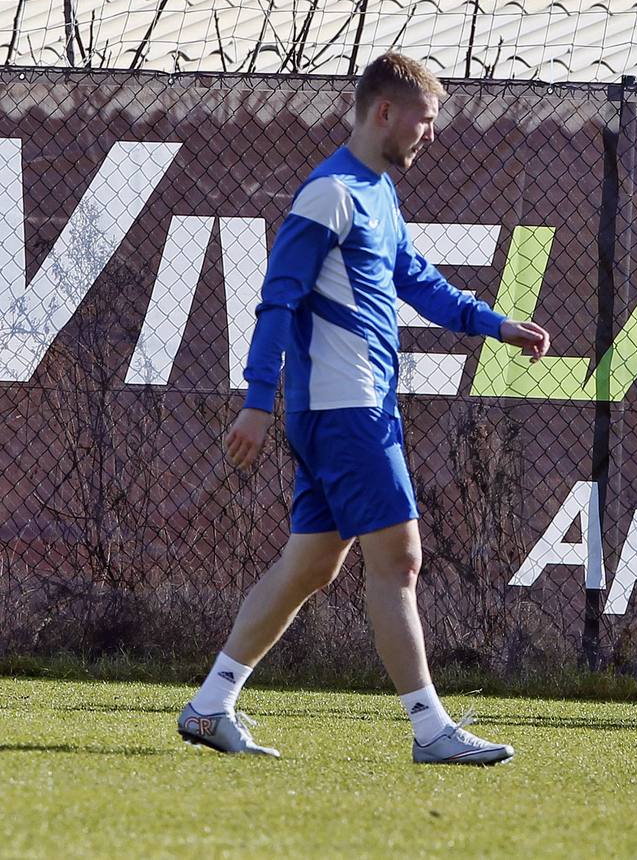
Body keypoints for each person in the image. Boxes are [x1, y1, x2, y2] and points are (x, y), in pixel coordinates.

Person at [176, 53, 549, 765]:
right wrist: (257, 402)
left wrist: (493, 323)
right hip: (344, 410)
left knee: (309, 566)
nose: (430, 136)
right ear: (386, 112)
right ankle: (429, 728)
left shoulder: (376, 191)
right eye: (425, 120)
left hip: (356, 408)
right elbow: (277, 298)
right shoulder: (330, 194)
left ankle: (208, 706)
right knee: (400, 558)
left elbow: (417, 280)